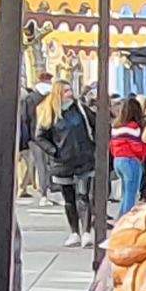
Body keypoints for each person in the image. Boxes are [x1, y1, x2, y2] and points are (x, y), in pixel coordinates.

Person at [44, 86, 105, 232]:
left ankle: (86, 232)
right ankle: (74, 232)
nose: (70, 94)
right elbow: (40, 135)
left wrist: (94, 146)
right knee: (69, 199)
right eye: (65, 91)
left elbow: (98, 125)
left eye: (70, 90)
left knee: (83, 196)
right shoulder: (50, 113)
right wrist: (53, 150)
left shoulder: (81, 110)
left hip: (84, 160)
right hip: (63, 162)